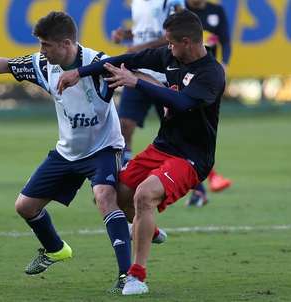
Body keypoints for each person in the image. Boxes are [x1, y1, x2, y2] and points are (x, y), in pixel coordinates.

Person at [0, 11, 132, 293]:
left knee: (104, 197)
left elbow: (132, 73)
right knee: (24, 207)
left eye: (46, 45)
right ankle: (55, 249)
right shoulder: (44, 65)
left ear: (65, 44)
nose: (41, 51)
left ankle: (128, 276)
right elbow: (9, 65)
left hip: (103, 148)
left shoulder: (98, 64)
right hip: (67, 152)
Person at [57, 9, 226, 295]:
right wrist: (79, 72)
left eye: (171, 43)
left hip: (192, 158)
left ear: (188, 42)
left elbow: (183, 103)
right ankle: (151, 229)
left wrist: (139, 83)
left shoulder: (212, 74)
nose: (167, 47)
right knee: (115, 193)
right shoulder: (170, 57)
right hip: (163, 147)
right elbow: (128, 60)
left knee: (144, 195)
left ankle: (137, 276)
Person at [111, 0, 184, 164]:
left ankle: (196, 184)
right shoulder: (137, 2)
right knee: (124, 124)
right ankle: (124, 169)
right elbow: (144, 31)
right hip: (139, 72)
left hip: (165, 75)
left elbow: (177, 33)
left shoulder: (171, 2)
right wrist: (126, 34)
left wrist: (141, 48)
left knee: (174, 132)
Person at [185, 0, 232, 206]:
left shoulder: (216, 11)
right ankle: (206, 178)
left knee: (195, 128)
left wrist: (225, 63)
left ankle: (203, 182)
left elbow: (226, 41)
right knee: (188, 130)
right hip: (184, 75)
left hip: (208, 78)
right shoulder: (180, 9)